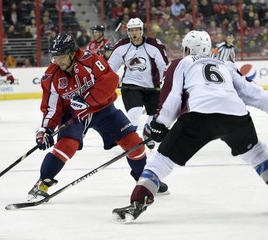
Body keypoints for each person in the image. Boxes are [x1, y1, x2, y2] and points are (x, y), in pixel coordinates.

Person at [112, 30, 268, 222]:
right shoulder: (225, 64)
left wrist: (159, 125)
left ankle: (137, 202)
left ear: (187, 49)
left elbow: (173, 97)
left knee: (162, 161)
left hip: (200, 117)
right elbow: (252, 92)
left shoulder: (182, 63)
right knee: (258, 155)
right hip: (236, 116)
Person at [26, 33, 168, 202]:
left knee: (135, 144)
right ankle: (42, 184)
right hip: (73, 113)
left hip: (103, 109)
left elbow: (111, 80)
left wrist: (87, 102)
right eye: (55, 57)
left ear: (72, 53)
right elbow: (51, 107)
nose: (58, 61)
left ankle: (144, 180)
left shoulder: (90, 60)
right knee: (67, 145)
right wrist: (46, 129)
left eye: (62, 56)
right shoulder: (51, 76)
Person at [108, 18, 169, 150]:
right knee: (134, 113)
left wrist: (163, 81)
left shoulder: (154, 45)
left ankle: (148, 133)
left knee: (156, 116)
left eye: (136, 29)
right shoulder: (122, 45)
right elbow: (111, 67)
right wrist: (109, 80)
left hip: (152, 86)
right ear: (128, 31)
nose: (134, 32)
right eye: (131, 30)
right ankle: (130, 141)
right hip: (131, 86)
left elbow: (163, 65)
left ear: (141, 30)